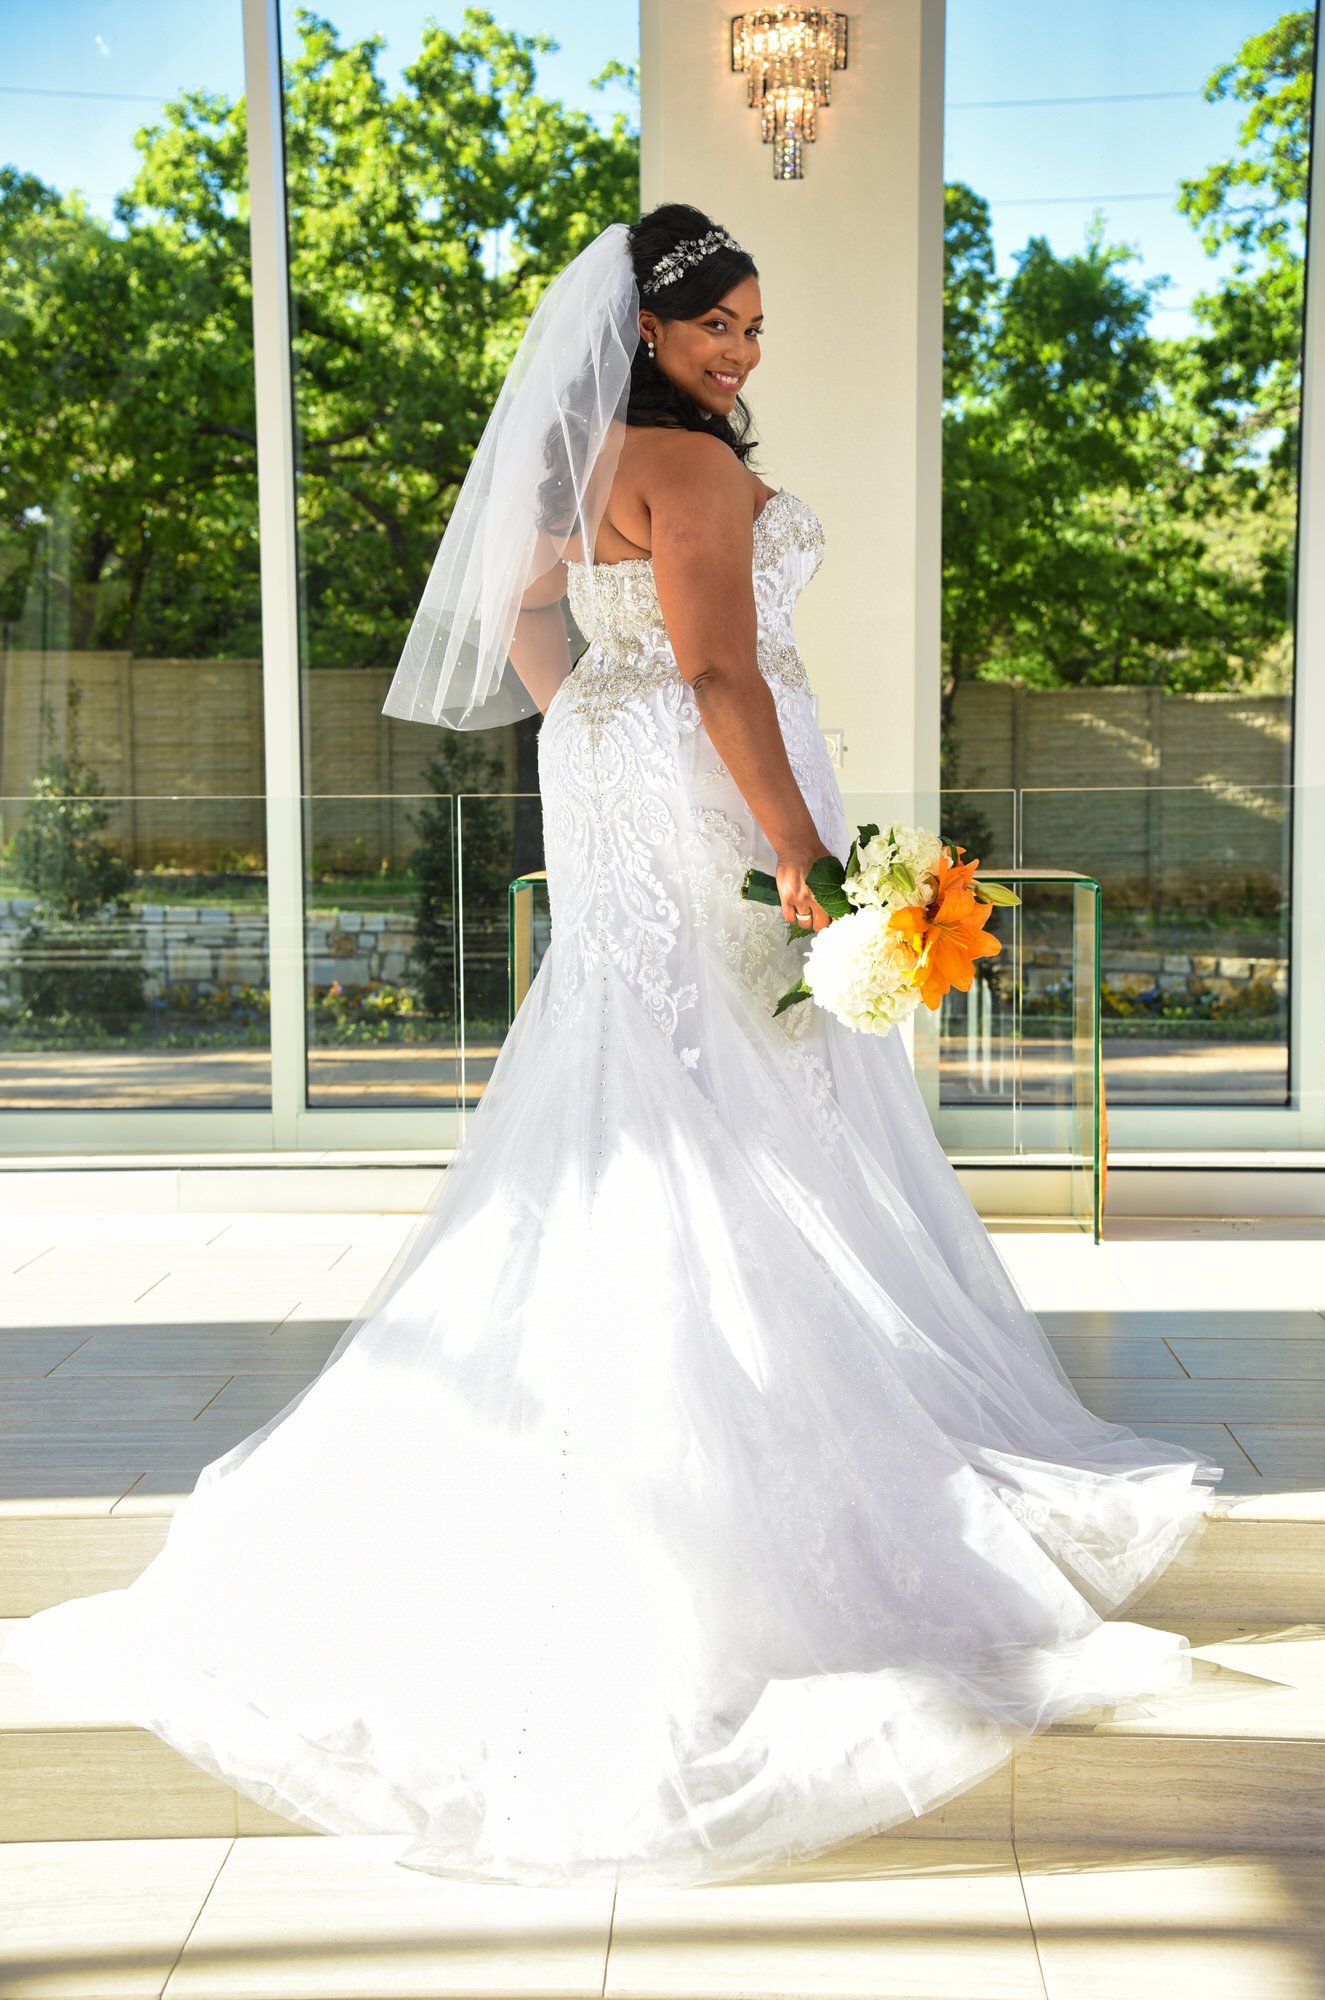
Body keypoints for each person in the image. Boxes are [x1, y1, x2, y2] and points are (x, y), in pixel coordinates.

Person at [2, 203, 1222, 1891]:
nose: (743, 349)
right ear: (648, 327)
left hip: (613, 778)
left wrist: (586, 709)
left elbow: (530, 612)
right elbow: (720, 670)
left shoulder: (585, 459)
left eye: (756, 327)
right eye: (719, 324)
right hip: (711, 781)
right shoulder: (693, 467)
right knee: (735, 1066)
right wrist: (802, 858)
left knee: (647, 1056)